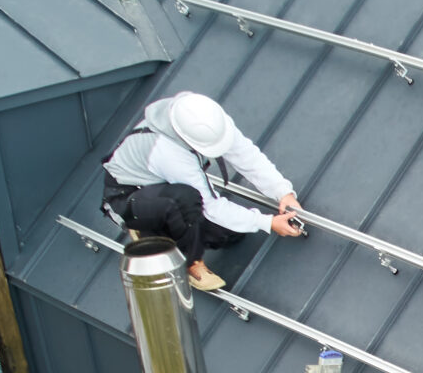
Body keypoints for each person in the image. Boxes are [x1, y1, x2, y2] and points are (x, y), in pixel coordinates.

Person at [101, 92, 304, 291]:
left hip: (163, 183)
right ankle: (184, 258)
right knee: (186, 199)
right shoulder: (167, 152)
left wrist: (282, 191)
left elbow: (245, 155)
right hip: (129, 197)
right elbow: (209, 205)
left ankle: (172, 229)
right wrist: (266, 222)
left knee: (228, 234)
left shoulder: (208, 117)